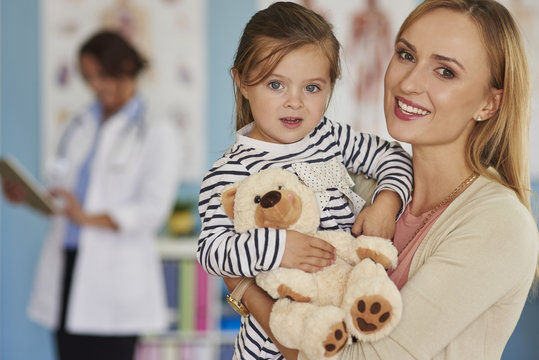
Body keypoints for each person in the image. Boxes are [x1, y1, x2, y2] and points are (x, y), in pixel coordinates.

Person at [223, 0, 539, 359]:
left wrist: (244, 287)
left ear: (489, 104)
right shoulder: (357, 185)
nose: (409, 82)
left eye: (445, 72)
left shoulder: (498, 224)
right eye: (406, 55)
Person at [197, 2, 413, 359]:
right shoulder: (228, 172)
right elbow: (212, 252)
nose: (294, 102)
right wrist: (279, 247)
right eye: (276, 84)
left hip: (347, 323)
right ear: (242, 83)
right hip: (270, 347)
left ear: (331, 86)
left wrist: (387, 201)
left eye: (312, 88)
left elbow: (393, 156)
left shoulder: (330, 137)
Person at [2, 30, 182, 360]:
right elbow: (64, 200)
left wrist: (85, 216)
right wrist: (30, 198)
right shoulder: (80, 125)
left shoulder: (158, 132)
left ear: (126, 67)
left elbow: (152, 209)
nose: (95, 85)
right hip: (67, 268)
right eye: (88, 78)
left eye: (101, 75)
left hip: (113, 278)